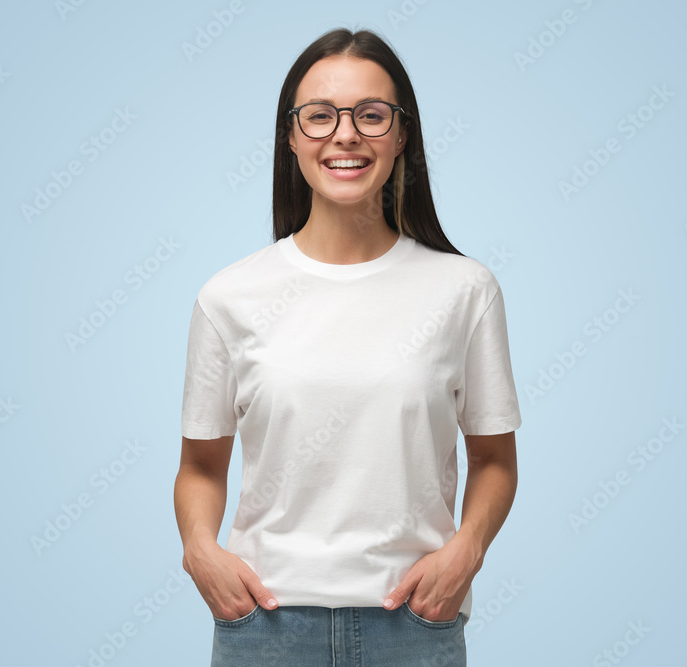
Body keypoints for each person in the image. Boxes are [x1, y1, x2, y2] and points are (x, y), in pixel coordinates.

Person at [174, 27, 522, 666]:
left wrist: (467, 551)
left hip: (415, 626)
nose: (345, 135)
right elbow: (200, 466)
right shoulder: (230, 296)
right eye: (320, 116)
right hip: (264, 629)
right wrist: (199, 549)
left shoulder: (464, 290)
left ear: (401, 135)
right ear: (291, 135)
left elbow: (495, 458)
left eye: (371, 115)